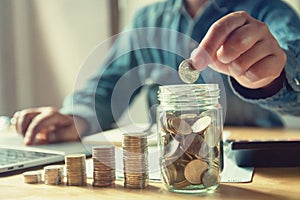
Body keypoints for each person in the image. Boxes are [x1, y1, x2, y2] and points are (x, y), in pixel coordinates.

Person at [13, 0, 300, 145]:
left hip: (252, 155)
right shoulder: (147, 20)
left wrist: (271, 80)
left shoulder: (269, 11)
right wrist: (76, 115)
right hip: (167, 159)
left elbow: (290, 56)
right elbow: (107, 86)